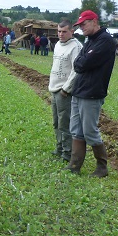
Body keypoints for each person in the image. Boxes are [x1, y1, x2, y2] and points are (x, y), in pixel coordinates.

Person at [67, 10, 117, 177]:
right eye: (79, 25)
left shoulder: (105, 41)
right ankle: (75, 165)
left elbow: (84, 63)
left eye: (84, 24)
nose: (81, 28)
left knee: (89, 130)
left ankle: (102, 167)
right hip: (79, 90)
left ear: (95, 21)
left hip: (92, 92)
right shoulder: (90, 41)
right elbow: (78, 64)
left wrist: (82, 61)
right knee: (76, 130)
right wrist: (82, 61)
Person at [49, 19, 82, 162]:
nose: (61, 34)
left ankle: (67, 153)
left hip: (64, 92)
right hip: (54, 89)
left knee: (65, 123)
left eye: (64, 31)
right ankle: (59, 147)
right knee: (56, 122)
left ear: (72, 32)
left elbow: (77, 70)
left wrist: (66, 89)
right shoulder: (57, 45)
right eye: (59, 31)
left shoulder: (76, 47)